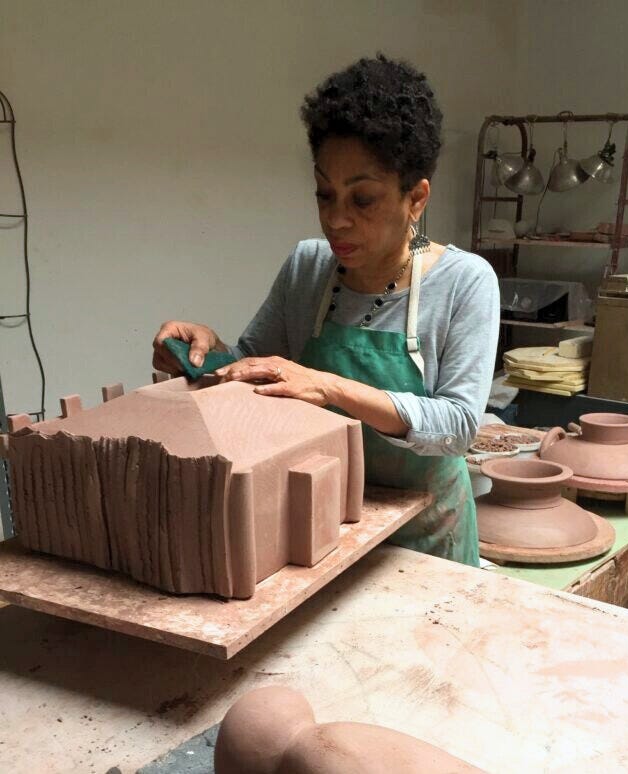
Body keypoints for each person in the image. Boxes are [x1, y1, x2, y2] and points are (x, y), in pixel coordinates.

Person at [153, 54, 499, 567]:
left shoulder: (464, 282)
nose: (336, 220)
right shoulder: (308, 267)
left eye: (363, 200)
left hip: (426, 539)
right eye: (324, 194)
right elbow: (256, 366)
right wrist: (205, 352)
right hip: (323, 529)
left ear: (416, 198)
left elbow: (458, 425)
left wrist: (328, 386)